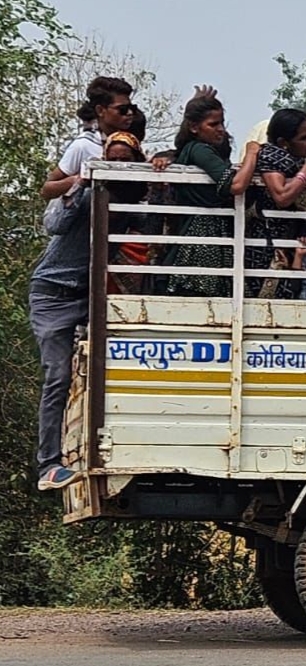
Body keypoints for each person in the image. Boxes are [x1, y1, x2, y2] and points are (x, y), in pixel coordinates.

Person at [30, 132, 151, 490]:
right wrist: (79, 185)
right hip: (53, 293)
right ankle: (49, 465)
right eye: (109, 158)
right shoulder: (87, 195)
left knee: (108, 367)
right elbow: (54, 225)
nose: (114, 164)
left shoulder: (130, 206)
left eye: (122, 159)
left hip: (92, 296)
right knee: (58, 376)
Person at [164, 93, 258, 297]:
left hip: (209, 233)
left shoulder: (197, 150)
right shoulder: (199, 150)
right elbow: (236, 184)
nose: (221, 130)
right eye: (213, 124)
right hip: (203, 237)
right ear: (194, 127)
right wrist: (252, 152)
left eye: (222, 123)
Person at [246, 109, 306, 300]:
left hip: (291, 243)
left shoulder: (300, 159)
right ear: (284, 142)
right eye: (304, 137)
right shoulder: (271, 155)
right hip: (266, 246)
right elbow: (281, 196)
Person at [41, 77, 136, 201]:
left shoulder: (131, 143)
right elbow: (46, 190)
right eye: (122, 110)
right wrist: (80, 179)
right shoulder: (84, 145)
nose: (129, 113)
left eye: (132, 109)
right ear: (101, 110)